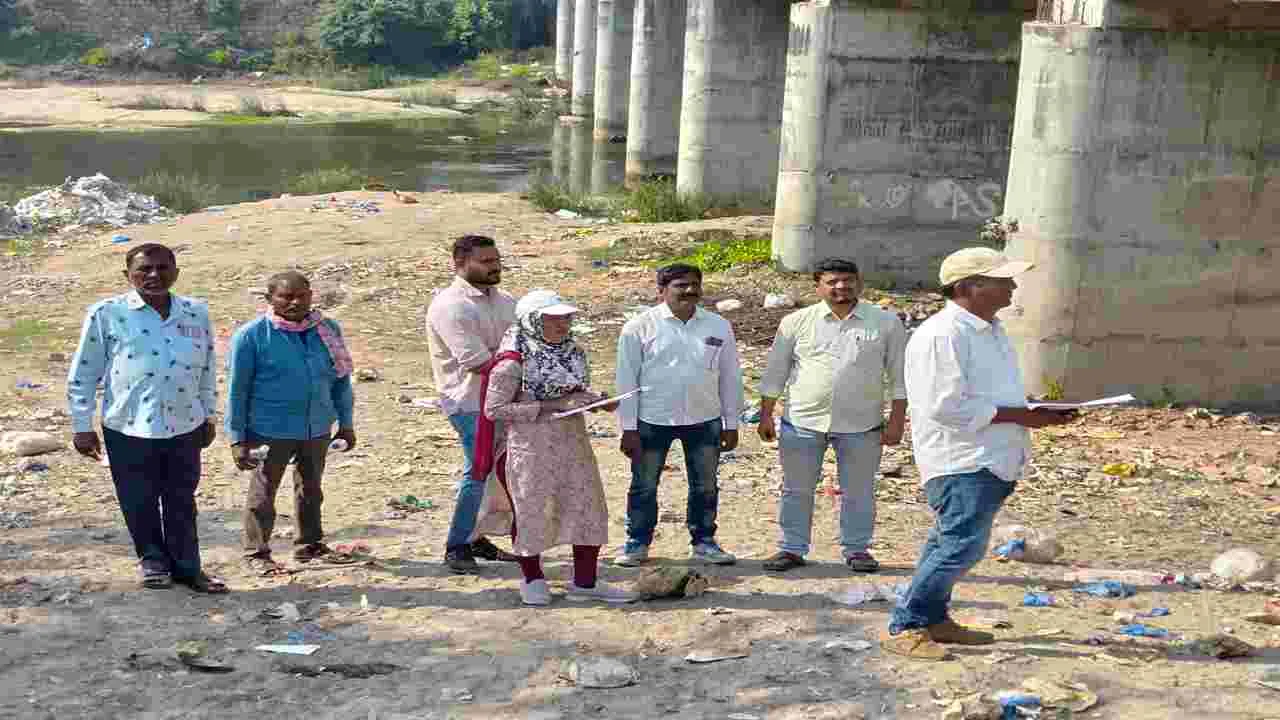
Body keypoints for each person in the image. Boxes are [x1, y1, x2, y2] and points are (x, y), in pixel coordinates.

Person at [882, 247, 1075, 660]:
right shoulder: (942, 335)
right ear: (970, 287)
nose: (1013, 287)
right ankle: (907, 625)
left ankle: (933, 619)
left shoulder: (989, 329)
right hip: (962, 458)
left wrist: (1034, 410)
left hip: (992, 454)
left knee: (948, 543)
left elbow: (989, 393)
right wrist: (1021, 415)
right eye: (1002, 280)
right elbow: (945, 407)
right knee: (960, 548)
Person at [67, 243, 225, 593]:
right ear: (128, 276)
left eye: (162, 268)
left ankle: (188, 567)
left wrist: (208, 416)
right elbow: (85, 371)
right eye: (144, 270)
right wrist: (82, 425)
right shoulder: (106, 313)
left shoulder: (195, 312)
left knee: (182, 499)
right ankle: (152, 560)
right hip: (127, 425)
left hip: (185, 422)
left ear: (176, 272)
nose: (154, 275)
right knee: (137, 498)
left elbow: (207, 366)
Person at [478, 289, 638, 605]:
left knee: (586, 508)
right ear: (533, 321)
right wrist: (554, 404)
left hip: (572, 444)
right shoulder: (512, 363)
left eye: (566, 317)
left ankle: (585, 582)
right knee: (531, 512)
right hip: (528, 449)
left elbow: (573, 394)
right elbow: (494, 409)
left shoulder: (571, 353)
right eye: (554, 319)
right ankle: (533, 579)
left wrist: (594, 402)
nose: (563, 325)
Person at [757, 258, 907, 574]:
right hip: (803, 422)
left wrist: (897, 420)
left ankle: (857, 549)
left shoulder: (885, 322)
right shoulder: (796, 322)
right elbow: (775, 372)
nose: (842, 286)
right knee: (796, 488)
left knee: (860, 490)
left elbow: (899, 377)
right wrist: (766, 414)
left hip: (862, 424)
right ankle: (791, 548)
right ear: (818, 286)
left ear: (859, 283)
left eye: (848, 280)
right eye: (833, 281)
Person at [224, 270, 358, 574]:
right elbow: (237, 391)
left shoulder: (327, 329)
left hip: (316, 426)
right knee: (263, 493)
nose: (295, 302)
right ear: (270, 299)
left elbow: (340, 380)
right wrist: (236, 439)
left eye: (302, 295)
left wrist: (346, 423)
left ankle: (309, 546)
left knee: (311, 489)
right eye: (286, 296)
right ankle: (256, 553)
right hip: (269, 429)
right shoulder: (252, 336)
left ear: (312, 295)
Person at [614, 263, 744, 567]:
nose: (689, 291)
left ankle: (704, 542)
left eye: (694, 284)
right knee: (644, 485)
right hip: (651, 420)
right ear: (662, 291)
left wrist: (731, 423)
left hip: (704, 419)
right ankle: (637, 543)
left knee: (706, 485)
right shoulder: (639, 327)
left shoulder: (718, 325)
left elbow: (729, 376)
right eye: (680, 285)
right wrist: (628, 428)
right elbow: (626, 381)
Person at [426, 234, 520, 574]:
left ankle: (477, 536)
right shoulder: (450, 306)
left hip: (506, 399)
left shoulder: (506, 300)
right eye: (486, 262)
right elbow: (479, 362)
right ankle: (456, 546)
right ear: (460, 263)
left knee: (506, 471)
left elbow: (522, 345)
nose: (495, 267)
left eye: (497, 261)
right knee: (477, 471)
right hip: (468, 401)